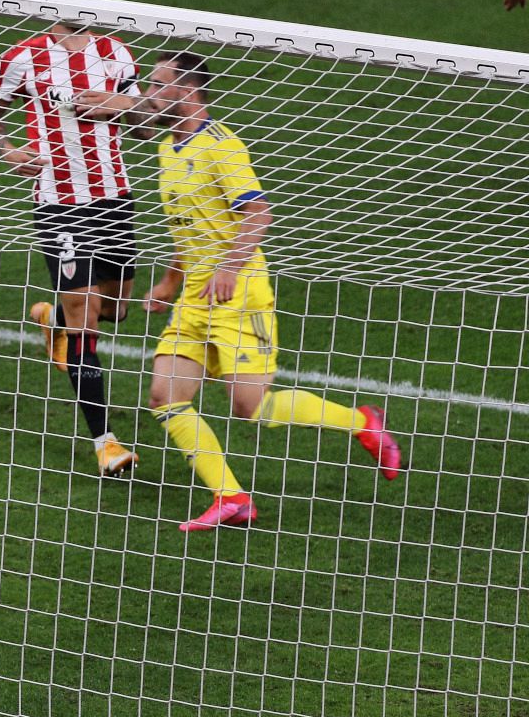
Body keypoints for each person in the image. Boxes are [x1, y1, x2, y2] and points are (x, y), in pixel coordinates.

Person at [140, 52, 404, 532]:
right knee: (164, 396)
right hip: (195, 298)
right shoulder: (167, 149)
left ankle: (365, 424)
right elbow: (190, 227)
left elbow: (258, 213)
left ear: (187, 91)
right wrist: (169, 282)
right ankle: (232, 497)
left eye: (157, 86)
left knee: (251, 408)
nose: (147, 96)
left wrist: (229, 266)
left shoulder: (222, 147)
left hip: (238, 295)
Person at [0, 0, 148, 478]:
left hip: (115, 199)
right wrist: (9, 150)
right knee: (85, 318)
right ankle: (105, 442)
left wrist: (116, 105)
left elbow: (145, 125)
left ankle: (53, 322)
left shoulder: (116, 53)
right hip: (58, 205)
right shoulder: (24, 57)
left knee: (116, 310)